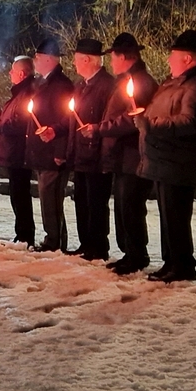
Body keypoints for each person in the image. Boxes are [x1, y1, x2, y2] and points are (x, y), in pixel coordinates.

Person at [136, 29, 196, 283]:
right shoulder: (175, 82)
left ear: (187, 58)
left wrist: (150, 124)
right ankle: (171, 262)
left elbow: (190, 122)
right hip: (165, 159)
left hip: (180, 161)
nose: (168, 60)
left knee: (176, 216)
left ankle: (183, 265)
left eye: (172, 55)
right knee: (168, 216)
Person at [80, 33, 158, 275]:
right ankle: (129, 253)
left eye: (113, 57)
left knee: (131, 206)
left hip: (134, 155)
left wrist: (100, 129)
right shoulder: (126, 81)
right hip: (123, 156)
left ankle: (136, 254)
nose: (111, 62)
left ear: (123, 57)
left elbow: (130, 119)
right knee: (124, 206)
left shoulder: (140, 82)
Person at [67, 38, 115, 260]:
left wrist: (96, 131)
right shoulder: (80, 85)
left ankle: (97, 246)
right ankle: (85, 243)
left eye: (76, 59)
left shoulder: (107, 86)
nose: (74, 64)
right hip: (81, 152)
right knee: (82, 200)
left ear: (87, 60)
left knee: (96, 202)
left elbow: (110, 119)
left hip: (97, 154)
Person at [25, 38, 74, 252]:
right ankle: (53, 238)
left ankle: (54, 241)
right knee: (47, 198)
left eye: (37, 57)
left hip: (53, 152)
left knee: (52, 198)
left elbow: (66, 120)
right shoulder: (42, 83)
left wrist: (60, 151)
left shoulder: (61, 85)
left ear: (48, 59)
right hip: (41, 150)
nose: (34, 61)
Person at [0, 56, 37, 248]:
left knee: (20, 194)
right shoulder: (19, 93)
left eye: (13, 70)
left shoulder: (26, 93)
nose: (10, 73)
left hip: (19, 152)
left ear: (22, 74)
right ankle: (22, 233)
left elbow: (19, 122)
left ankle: (25, 234)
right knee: (17, 194)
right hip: (14, 152)